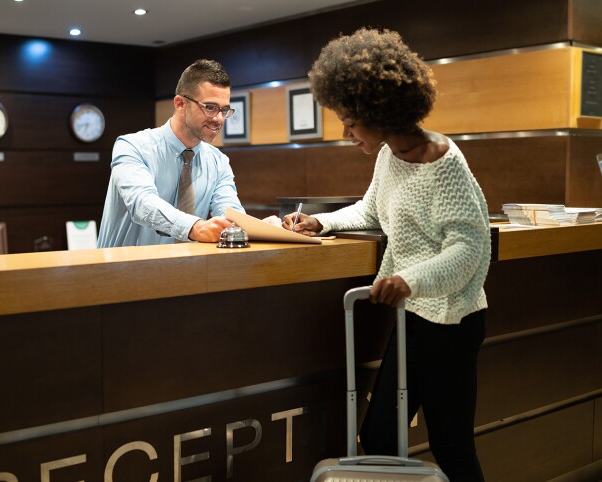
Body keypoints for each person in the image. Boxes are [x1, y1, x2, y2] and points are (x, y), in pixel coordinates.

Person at [287, 28, 490, 482]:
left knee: (451, 448)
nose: (345, 132)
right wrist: (323, 222)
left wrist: (410, 278)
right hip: (413, 318)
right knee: (379, 438)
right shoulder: (389, 156)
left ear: (381, 111)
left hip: (452, 322)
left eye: (351, 121)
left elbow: (471, 247)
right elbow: (370, 208)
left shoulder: (444, 162)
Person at [96, 59, 245, 247]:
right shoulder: (132, 146)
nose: (218, 119)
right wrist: (194, 227)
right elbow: (142, 204)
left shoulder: (219, 162)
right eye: (210, 107)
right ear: (180, 103)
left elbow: (229, 214)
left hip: (187, 272)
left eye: (224, 110)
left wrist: (268, 227)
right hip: (122, 272)